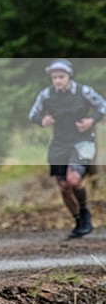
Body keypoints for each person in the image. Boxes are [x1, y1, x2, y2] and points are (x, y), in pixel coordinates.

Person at [29, 59, 106, 238]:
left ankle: (85, 211)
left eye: (61, 77)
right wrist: (42, 121)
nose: (57, 80)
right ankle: (78, 220)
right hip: (59, 143)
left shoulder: (83, 91)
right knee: (63, 186)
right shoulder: (46, 95)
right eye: (54, 77)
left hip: (82, 140)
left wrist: (91, 121)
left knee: (73, 180)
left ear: (69, 77)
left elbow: (103, 106)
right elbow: (33, 115)